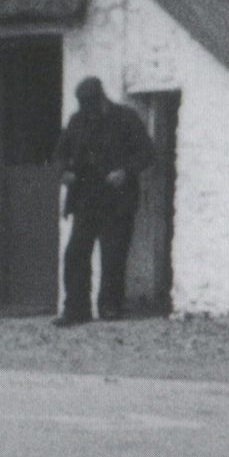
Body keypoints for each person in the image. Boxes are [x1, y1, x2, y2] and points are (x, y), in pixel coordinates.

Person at [52, 76, 153, 325]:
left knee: (113, 254)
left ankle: (110, 306)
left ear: (101, 99)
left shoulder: (126, 118)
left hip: (117, 199)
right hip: (85, 197)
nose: (88, 110)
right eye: (83, 105)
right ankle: (76, 309)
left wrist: (125, 171)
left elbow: (147, 152)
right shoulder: (77, 121)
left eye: (90, 104)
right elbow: (60, 153)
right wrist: (64, 171)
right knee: (76, 253)